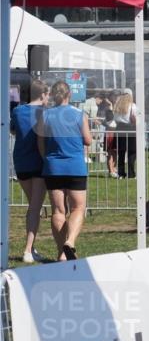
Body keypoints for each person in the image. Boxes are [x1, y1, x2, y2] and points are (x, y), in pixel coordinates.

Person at [39, 80, 92, 261]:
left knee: (58, 211)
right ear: (69, 94)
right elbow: (88, 140)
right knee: (78, 207)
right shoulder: (79, 114)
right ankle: (70, 242)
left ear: (53, 95)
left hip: (53, 167)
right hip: (75, 166)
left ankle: (62, 253)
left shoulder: (45, 116)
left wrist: (47, 156)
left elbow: (40, 143)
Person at [11, 80, 49, 263]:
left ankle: (31, 247)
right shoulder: (44, 112)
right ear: (43, 95)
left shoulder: (17, 111)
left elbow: (12, 130)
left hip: (21, 161)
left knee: (33, 206)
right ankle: (28, 250)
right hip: (38, 162)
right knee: (35, 207)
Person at [112, 92, 138, 178]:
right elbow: (136, 119)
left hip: (119, 128)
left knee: (121, 153)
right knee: (132, 152)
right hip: (130, 129)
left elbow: (115, 119)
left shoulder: (117, 106)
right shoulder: (133, 106)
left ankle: (121, 173)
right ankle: (131, 173)